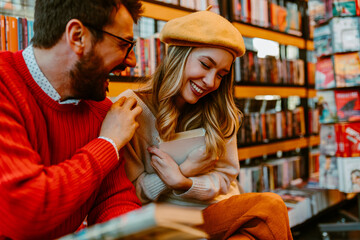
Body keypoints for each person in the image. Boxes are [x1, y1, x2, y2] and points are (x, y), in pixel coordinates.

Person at [118, 8, 293, 240]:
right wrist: (177, 175)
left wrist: (185, 182)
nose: (211, 82)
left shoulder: (219, 111)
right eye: (205, 64)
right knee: (270, 207)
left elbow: (226, 178)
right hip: (171, 224)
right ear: (178, 57)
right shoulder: (132, 110)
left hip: (220, 214)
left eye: (221, 74)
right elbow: (130, 195)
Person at [0, 0, 144, 239]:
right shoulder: (5, 87)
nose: (132, 62)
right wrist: (107, 144)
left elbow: (113, 200)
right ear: (77, 36)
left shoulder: (103, 112)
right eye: (123, 44)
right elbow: (23, 213)